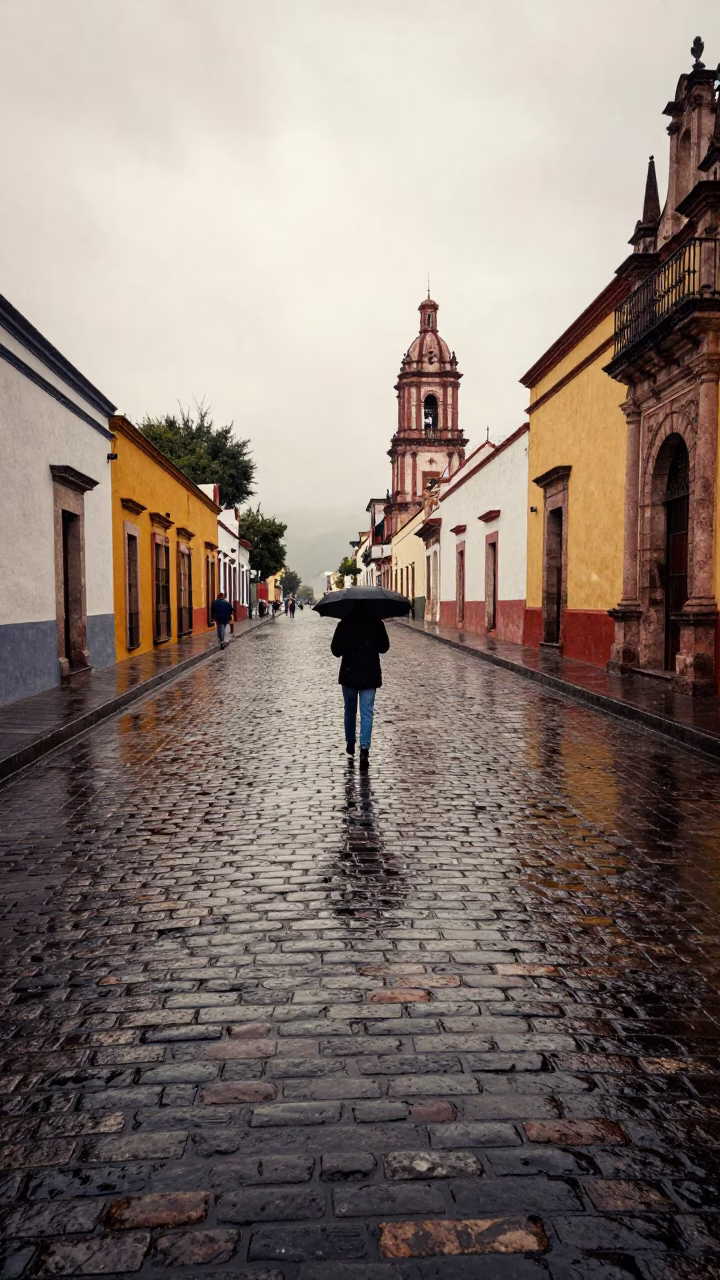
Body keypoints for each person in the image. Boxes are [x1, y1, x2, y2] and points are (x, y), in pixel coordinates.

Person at [330, 606, 389, 770]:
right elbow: (384, 648)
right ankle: (364, 748)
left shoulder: (344, 624)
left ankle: (350, 742)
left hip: (349, 674)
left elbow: (335, 650)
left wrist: (348, 644)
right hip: (370, 674)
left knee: (349, 710)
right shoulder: (377, 623)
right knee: (367, 712)